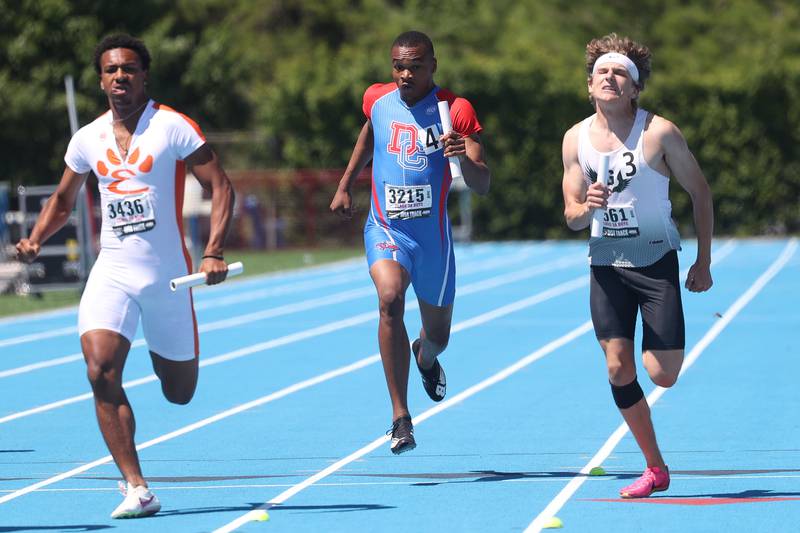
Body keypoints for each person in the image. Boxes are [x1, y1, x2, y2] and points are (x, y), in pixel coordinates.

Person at [16, 34, 235, 518]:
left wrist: (213, 251)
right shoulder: (87, 138)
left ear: (144, 77)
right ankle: (137, 486)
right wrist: (35, 239)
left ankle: (169, 373)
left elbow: (221, 186)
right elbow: (61, 200)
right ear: (100, 80)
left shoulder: (173, 127)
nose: (121, 77)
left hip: (169, 279)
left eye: (129, 69)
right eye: (112, 70)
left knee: (179, 392)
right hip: (112, 271)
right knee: (100, 369)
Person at [561, 33, 713, 498]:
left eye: (620, 72)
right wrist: (584, 207)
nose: (610, 77)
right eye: (602, 72)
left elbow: (700, 192)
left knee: (662, 373)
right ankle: (655, 467)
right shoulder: (574, 139)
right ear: (590, 85)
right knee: (617, 366)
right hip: (607, 264)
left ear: (635, 87)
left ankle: (654, 456)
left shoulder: (659, 132)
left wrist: (704, 261)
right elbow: (569, 216)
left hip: (654, 262)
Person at [330, 31, 490, 454]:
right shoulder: (377, 100)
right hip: (386, 229)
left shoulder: (455, 109)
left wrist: (462, 154)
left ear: (433, 66)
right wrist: (346, 183)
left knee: (438, 336)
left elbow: (483, 181)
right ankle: (401, 417)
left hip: (433, 239)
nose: (405, 74)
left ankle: (424, 356)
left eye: (415, 66)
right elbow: (369, 136)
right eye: (399, 66)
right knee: (389, 298)